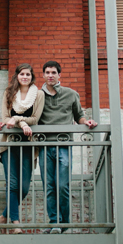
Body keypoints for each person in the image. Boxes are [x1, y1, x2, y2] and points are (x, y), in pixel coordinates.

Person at [38, 60, 97, 233]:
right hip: (44, 145)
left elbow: (79, 115)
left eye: (53, 72)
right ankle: (54, 222)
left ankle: (64, 223)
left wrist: (87, 122)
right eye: (47, 72)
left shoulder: (71, 94)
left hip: (63, 145)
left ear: (59, 75)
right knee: (48, 186)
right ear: (43, 75)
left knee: (62, 185)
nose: (50, 75)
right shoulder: (38, 96)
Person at [0, 63, 44, 234]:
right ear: (17, 76)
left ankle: (3, 217)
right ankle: (15, 222)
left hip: (29, 145)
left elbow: (35, 119)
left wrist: (18, 120)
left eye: (28, 74)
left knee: (24, 187)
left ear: (31, 77)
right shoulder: (8, 93)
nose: (25, 77)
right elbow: (6, 118)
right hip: (10, 143)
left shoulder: (39, 95)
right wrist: (21, 122)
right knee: (12, 184)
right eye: (22, 74)